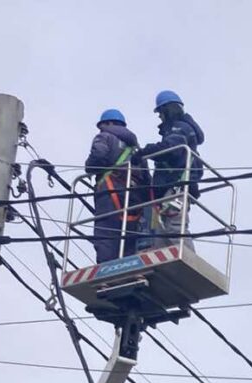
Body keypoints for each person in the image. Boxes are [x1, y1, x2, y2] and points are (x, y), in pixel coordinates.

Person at [139, 90, 205, 253]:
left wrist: (145, 152)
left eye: (161, 113)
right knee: (162, 235)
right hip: (170, 188)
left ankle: (188, 261)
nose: (160, 117)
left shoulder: (179, 127)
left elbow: (171, 149)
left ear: (168, 110)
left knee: (175, 228)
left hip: (176, 186)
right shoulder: (180, 128)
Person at [84, 109, 152, 263]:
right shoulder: (136, 149)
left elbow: (98, 156)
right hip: (135, 197)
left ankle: (105, 269)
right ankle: (128, 265)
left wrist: (89, 167)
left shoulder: (104, 136)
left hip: (110, 191)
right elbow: (147, 179)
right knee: (129, 230)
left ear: (108, 123)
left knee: (107, 230)